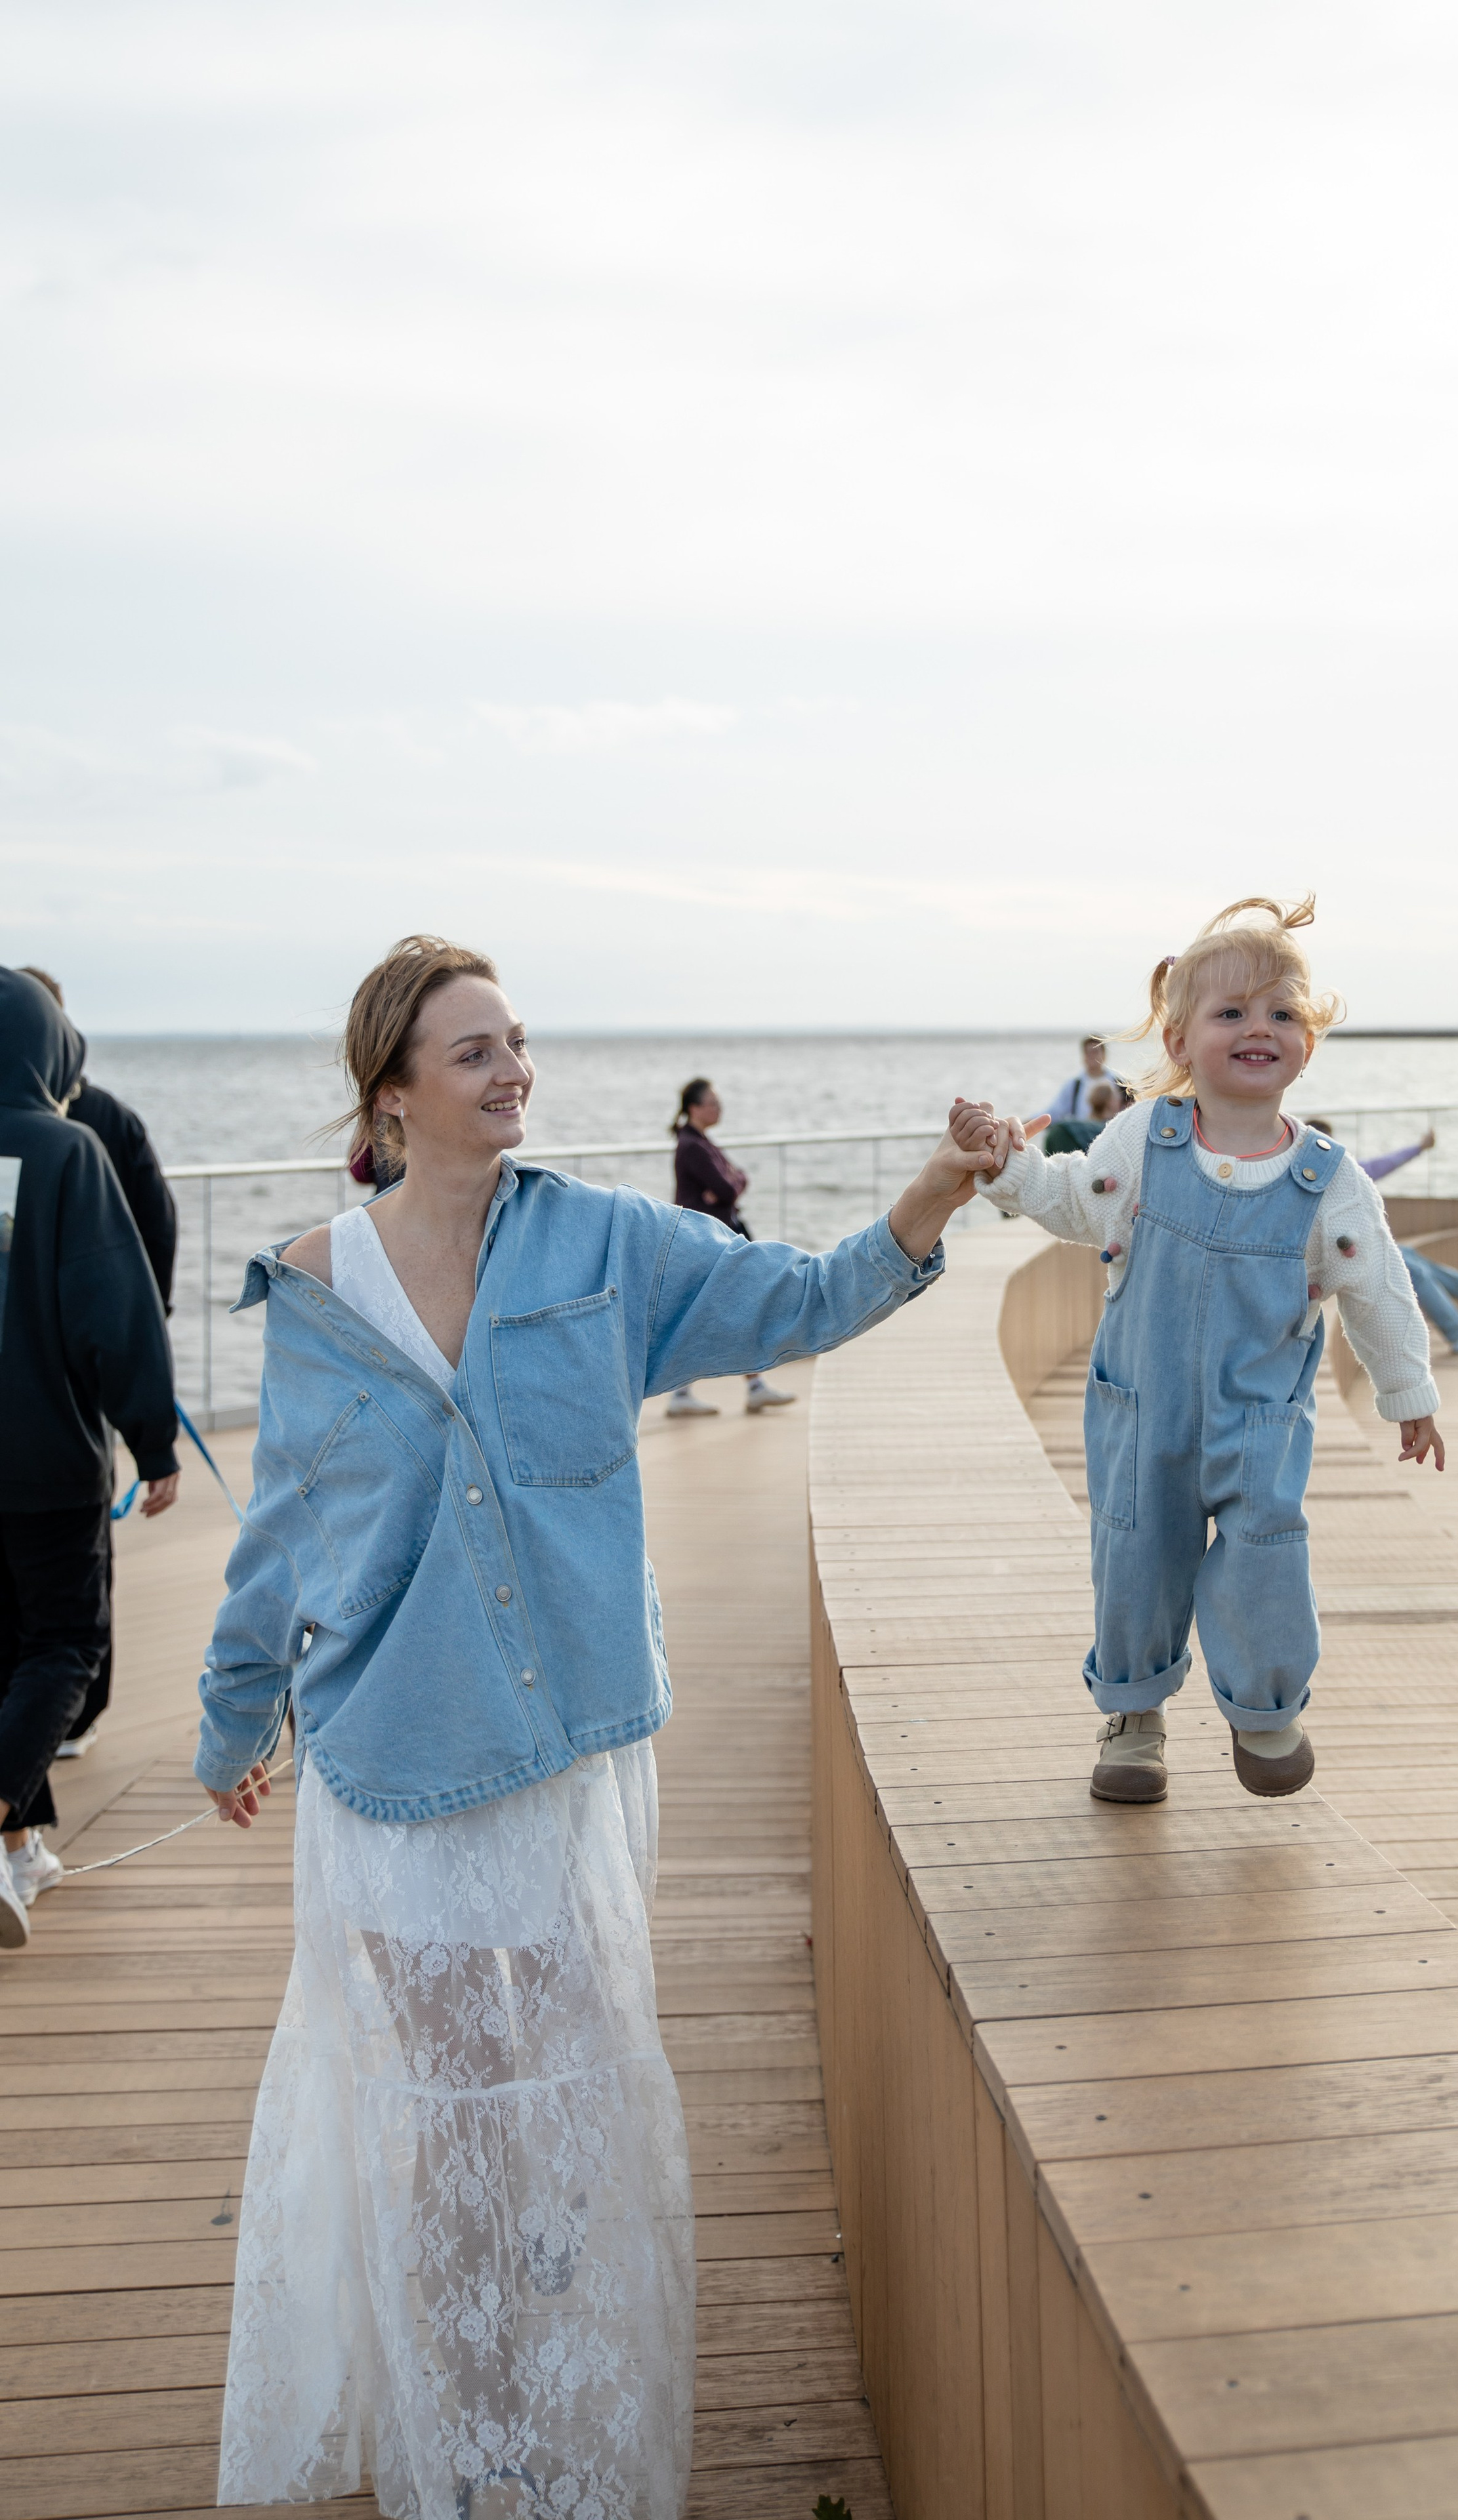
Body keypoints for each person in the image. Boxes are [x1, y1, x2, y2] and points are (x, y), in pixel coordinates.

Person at [195, 933, 993, 2520]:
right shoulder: (316, 1281)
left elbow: (805, 1294)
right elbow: (282, 1528)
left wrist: (936, 1190)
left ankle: (562, 2397)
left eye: (516, 1041)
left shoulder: (609, 1245)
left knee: (562, 2088)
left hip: (565, 1757)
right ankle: (473, 2423)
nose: (513, 1071)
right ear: (393, 1091)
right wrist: (234, 1716)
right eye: (475, 1049)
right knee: (449, 2099)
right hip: (396, 1756)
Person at [955, 896, 1442, 1810]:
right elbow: (1075, 1200)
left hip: (1259, 1418)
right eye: (1231, 1012)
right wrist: (1011, 1169)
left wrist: (1407, 1387)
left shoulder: (1327, 1182)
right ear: (1180, 1042)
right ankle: (1134, 1711)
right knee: (1137, 1552)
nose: (1259, 1028)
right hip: (1143, 1404)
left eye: (1281, 1013)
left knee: (1264, 1548)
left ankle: (1263, 1707)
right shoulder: (1147, 1138)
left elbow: (1377, 1288)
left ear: (1308, 1041)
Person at [0, 969, 178, 1951]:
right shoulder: (67, 1151)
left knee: (5, 1655)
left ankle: (21, 1850)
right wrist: (153, 1438)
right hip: (47, 1459)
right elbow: (117, 1309)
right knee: (65, 1643)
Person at [1302, 1119, 1458, 1355]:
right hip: (1331, 1261)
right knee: (1413, 1270)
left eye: (1330, 1144)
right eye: (1321, 1144)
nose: (1328, 1149)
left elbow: (1384, 1164)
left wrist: (1419, 1148)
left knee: (1408, 1254)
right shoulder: (1305, 1182)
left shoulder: (1343, 1174)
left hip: (1350, 1251)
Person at [665, 1076, 795, 1418]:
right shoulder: (692, 1146)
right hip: (706, 1243)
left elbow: (736, 1181)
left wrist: (731, 1182)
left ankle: (746, 1387)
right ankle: (690, 1392)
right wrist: (729, 1184)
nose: (718, 1108)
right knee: (721, 1313)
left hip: (714, 1240)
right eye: (712, 1102)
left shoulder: (701, 1142)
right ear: (694, 1108)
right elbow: (728, 1187)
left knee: (728, 1311)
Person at [1044, 1035, 1123, 1123]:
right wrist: (1029, 1123)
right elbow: (1055, 1112)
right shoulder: (1074, 1085)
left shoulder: (1119, 1084)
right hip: (1083, 1135)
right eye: (1088, 1053)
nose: (1092, 1056)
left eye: (1095, 1052)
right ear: (1084, 1056)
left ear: (1104, 1055)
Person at [1042, 1077, 1132, 1155]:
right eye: (1117, 1098)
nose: (1120, 1100)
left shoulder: (1065, 1128)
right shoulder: (1113, 1132)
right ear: (1111, 1102)